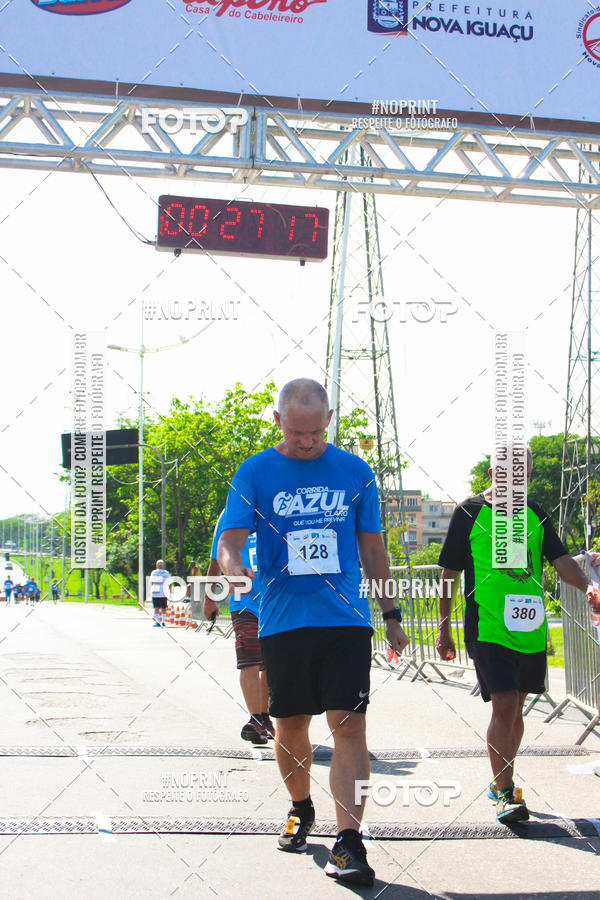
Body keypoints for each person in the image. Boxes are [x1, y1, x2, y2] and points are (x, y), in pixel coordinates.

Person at [218, 378, 409, 887]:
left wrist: (391, 614)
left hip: (345, 618)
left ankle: (350, 841)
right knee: (292, 724)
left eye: (314, 432)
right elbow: (230, 539)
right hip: (282, 618)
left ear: (329, 419)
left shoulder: (355, 471)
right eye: (296, 432)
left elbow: (373, 549)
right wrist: (234, 567)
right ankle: (301, 806)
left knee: (349, 725)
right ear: (278, 421)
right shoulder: (255, 471)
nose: (305, 443)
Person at [436, 444, 598, 824]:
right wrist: (443, 629)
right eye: (509, 476)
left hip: (528, 625)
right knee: (504, 703)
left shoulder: (536, 514)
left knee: (517, 705)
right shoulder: (470, 512)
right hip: (488, 625)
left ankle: (501, 780)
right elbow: (448, 574)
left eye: (523, 475)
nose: (517, 483)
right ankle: (505, 792)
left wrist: (587, 588)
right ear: (493, 476)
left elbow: (561, 563)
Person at [204, 511, 274, 746]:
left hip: (276, 599)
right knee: (249, 659)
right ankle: (255, 718)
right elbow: (216, 558)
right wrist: (209, 598)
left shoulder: (275, 502)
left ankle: (265, 717)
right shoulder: (228, 513)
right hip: (244, 600)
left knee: (270, 663)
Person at [149, 559, 170, 627]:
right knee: (164, 607)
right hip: (164, 592)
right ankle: (163, 622)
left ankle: (158, 622)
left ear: (156, 565)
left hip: (156, 592)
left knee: (156, 607)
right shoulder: (166, 573)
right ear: (163, 565)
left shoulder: (154, 572)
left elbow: (152, 582)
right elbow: (169, 583)